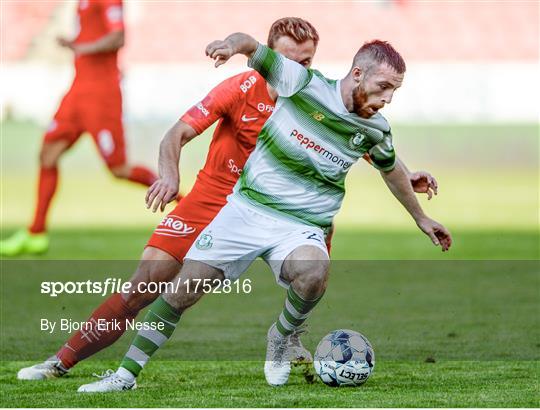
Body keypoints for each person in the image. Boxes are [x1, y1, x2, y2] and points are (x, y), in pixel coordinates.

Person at [74, 30, 449, 392]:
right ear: (357, 74)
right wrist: (229, 46)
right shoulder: (303, 83)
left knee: (314, 272)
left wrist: (421, 217)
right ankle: (124, 376)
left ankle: (281, 336)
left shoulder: (376, 130)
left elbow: (390, 169)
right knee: (180, 293)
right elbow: (250, 44)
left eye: (394, 91)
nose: (388, 98)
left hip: (301, 226)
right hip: (246, 210)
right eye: (384, 87)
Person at [1, 0, 158, 256]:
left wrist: (79, 46)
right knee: (47, 155)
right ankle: (36, 232)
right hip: (77, 92)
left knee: (118, 169)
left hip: (101, 96)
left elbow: (118, 37)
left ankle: (179, 197)